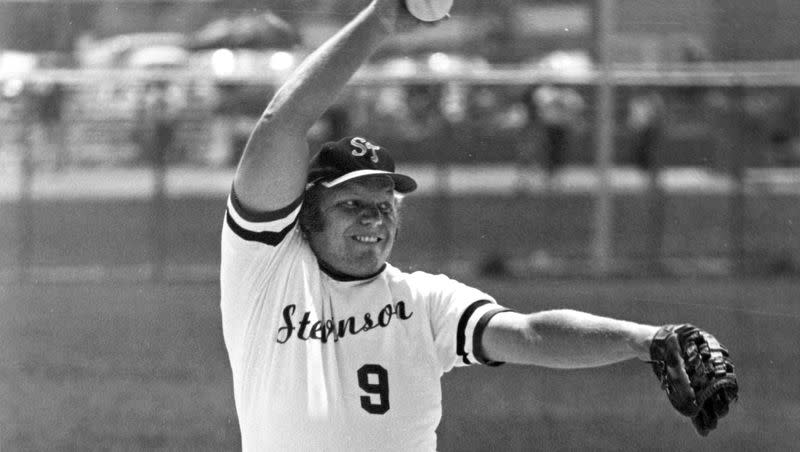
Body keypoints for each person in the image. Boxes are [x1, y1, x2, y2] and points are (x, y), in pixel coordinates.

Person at [219, 1, 736, 450]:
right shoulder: (267, 272)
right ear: (309, 209)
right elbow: (282, 124)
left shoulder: (425, 302)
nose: (374, 217)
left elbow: (530, 334)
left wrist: (643, 339)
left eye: (384, 203)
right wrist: (378, 21)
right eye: (352, 203)